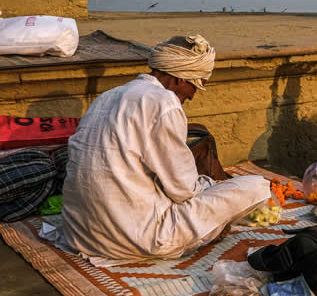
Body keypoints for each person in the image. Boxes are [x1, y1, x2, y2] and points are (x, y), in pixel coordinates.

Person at [62, 35, 271, 261]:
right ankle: (206, 232)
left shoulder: (106, 97)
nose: (191, 96)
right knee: (257, 186)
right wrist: (212, 186)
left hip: (79, 235)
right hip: (136, 239)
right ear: (180, 79)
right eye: (196, 86)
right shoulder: (163, 101)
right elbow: (184, 190)